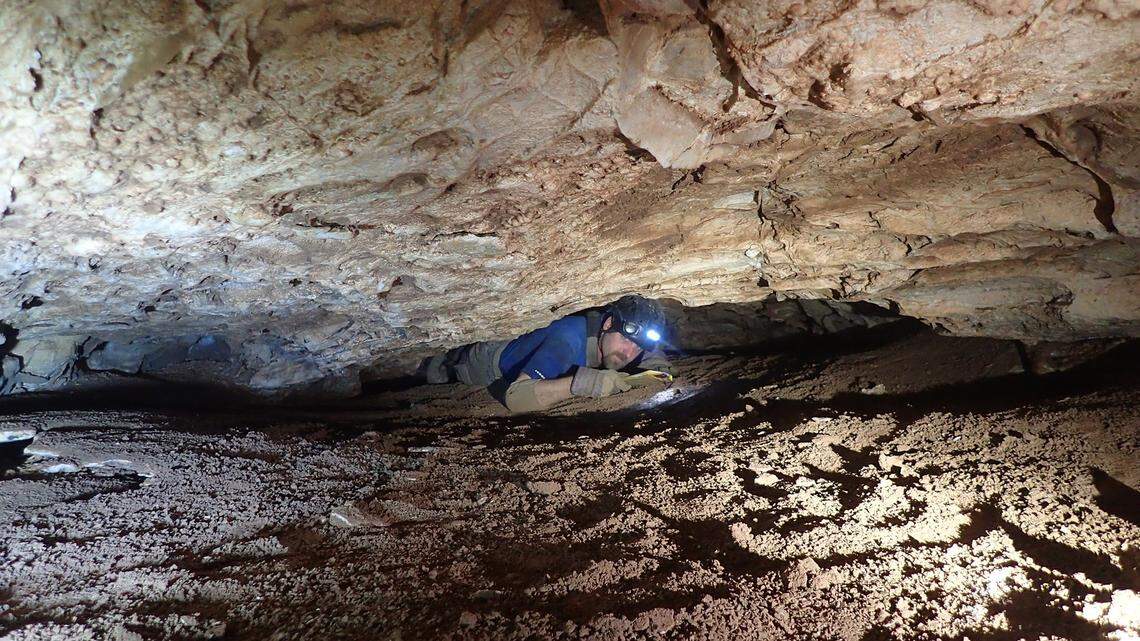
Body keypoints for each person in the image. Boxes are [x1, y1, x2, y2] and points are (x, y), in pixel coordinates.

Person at [420, 295, 672, 413]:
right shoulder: (566, 341)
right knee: (460, 367)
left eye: (638, 347)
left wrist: (658, 366)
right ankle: (444, 361)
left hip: (531, 345)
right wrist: (579, 384)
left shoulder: (613, 339)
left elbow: (650, 349)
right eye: (626, 340)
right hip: (489, 362)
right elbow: (515, 398)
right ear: (607, 325)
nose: (629, 352)